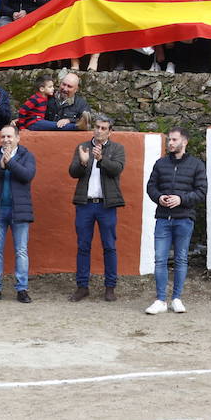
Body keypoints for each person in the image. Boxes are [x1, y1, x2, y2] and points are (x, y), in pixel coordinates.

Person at [146, 127, 207, 314]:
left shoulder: (197, 165)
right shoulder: (160, 164)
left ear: (184, 142)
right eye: (169, 140)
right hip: (163, 218)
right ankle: (160, 300)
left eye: (174, 140)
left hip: (184, 219)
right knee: (160, 260)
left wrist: (182, 199)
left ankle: (177, 298)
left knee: (181, 259)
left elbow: (201, 192)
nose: (170, 143)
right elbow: (151, 187)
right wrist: (159, 198)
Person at [69, 114, 126, 302]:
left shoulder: (117, 148)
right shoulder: (83, 147)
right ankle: (82, 286)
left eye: (103, 128)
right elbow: (72, 172)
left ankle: (110, 287)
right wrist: (84, 161)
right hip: (85, 204)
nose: (99, 131)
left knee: (109, 246)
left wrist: (101, 159)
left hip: (106, 205)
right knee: (83, 246)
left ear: (111, 132)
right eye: (97, 127)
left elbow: (117, 169)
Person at [0, 126, 36, 303]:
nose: (6, 140)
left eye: (9, 136)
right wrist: (1, 167)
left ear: (18, 138)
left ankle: (22, 289)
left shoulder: (27, 155)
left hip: (20, 210)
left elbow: (27, 175)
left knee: (21, 251)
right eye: (3, 136)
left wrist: (10, 162)